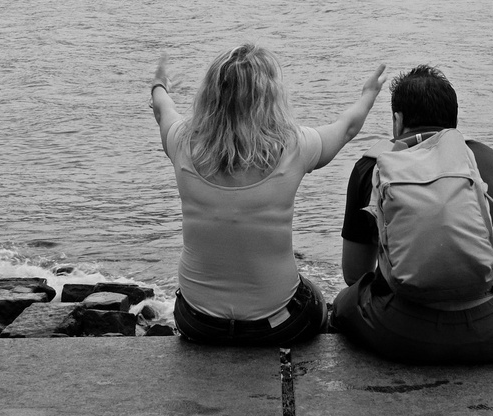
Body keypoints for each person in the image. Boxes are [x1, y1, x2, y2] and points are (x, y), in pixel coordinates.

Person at [150, 43, 386, 346]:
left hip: (195, 321)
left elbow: (162, 109)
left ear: (210, 93)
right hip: (276, 326)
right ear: (269, 96)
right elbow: (347, 128)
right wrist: (368, 93)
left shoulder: (181, 140)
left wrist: (159, 84)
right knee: (315, 296)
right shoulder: (294, 145)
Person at [331, 65, 493, 364]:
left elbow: (354, 273)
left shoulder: (372, 166)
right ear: (453, 120)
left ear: (397, 120)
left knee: (345, 303)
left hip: (405, 333)